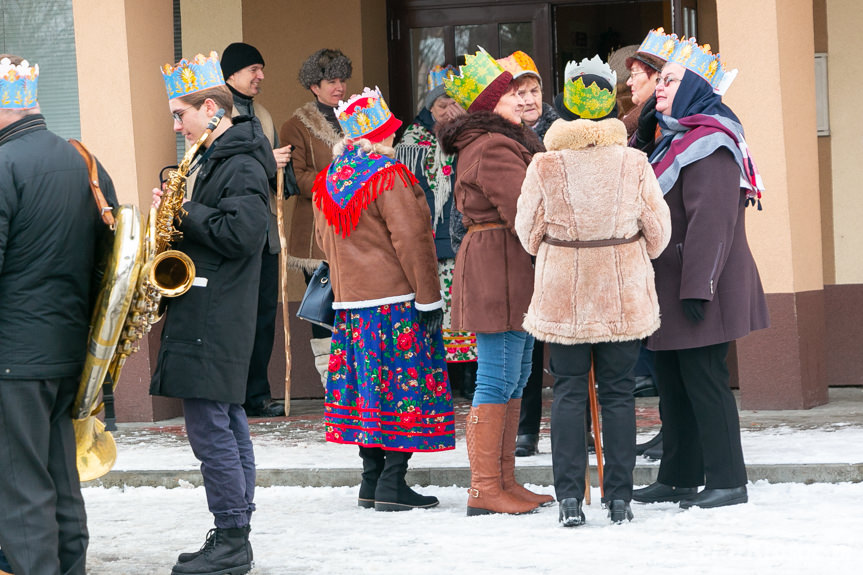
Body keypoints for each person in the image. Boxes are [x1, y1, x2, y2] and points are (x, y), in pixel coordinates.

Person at [516, 55, 671, 526]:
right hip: (621, 292)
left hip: (563, 292)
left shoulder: (544, 164)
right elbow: (659, 235)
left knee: (566, 394)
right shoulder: (634, 162)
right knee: (619, 395)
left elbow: (527, 233)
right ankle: (619, 499)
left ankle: (568, 499)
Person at [632, 32, 769, 510]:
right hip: (671, 286)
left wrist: (698, 287)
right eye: (661, 80)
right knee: (673, 385)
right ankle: (678, 476)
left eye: (670, 80)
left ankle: (728, 480)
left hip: (700, 286)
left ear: (694, 87)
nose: (660, 88)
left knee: (705, 384)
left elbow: (712, 222)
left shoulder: (710, 141)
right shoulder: (673, 137)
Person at [152, 51, 275, 575]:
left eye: (181, 116)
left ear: (209, 108)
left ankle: (230, 538)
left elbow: (242, 234)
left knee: (210, 428)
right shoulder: (216, 157)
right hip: (210, 306)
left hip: (214, 310)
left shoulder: (240, 160)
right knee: (227, 421)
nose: (178, 127)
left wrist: (182, 212)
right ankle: (234, 530)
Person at [0, 54, 117, 575]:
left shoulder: (3, 166)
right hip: (68, 350)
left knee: (19, 483)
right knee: (59, 476)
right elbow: (109, 261)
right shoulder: (83, 160)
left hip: (12, 356)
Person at [313, 87, 455, 511]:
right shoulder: (388, 175)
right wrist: (429, 299)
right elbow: (413, 240)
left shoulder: (329, 179)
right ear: (379, 135)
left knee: (369, 393)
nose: (394, 140)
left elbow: (323, 242)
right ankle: (393, 481)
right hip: (395, 305)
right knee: (402, 391)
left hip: (351, 309)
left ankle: (370, 480)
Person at [438, 48, 554, 515]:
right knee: (496, 376)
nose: (522, 100)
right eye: (512, 92)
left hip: (507, 265)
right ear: (491, 102)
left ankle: (504, 480)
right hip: (498, 266)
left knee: (517, 374)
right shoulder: (494, 145)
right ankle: (486, 487)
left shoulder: (500, 140)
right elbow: (524, 211)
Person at [394, 65, 478, 401]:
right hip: (433, 242)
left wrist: (462, 130)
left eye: (455, 104)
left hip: (466, 239)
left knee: (467, 311)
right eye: (442, 105)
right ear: (429, 108)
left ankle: (471, 378)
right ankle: (445, 381)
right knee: (439, 313)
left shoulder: (469, 135)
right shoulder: (412, 143)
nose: (448, 110)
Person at [221, 41, 293, 419]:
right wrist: (268, 158)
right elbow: (220, 162)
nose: (260, 76)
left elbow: (281, 175)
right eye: (254, 69)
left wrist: (280, 164)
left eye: (261, 69)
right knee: (237, 317)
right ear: (232, 73)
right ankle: (232, 394)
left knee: (264, 315)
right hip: (233, 230)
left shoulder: (263, 114)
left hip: (265, 231)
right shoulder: (217, 110)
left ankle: (257, 394)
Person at [496, 51, 559, 459]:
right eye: (519, 92)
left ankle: (582, 426)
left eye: (533, 90)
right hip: (518, 251)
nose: (528, 99)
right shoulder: (498, 137)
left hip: (560, 249)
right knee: (527, 347)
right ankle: (525, 430)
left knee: (574, 345)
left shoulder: (562, 131)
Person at [280, 48, 351, 390]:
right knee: (325, 307)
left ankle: (358, 376)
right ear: (314, 86)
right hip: (317, 230)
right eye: (331, 80)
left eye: (342, 79)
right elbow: (297, 178)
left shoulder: (357, 117)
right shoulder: (296, 126)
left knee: (355, 304)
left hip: (357, 226)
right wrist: (341, 181)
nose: (339, 87)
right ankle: (332, 380)